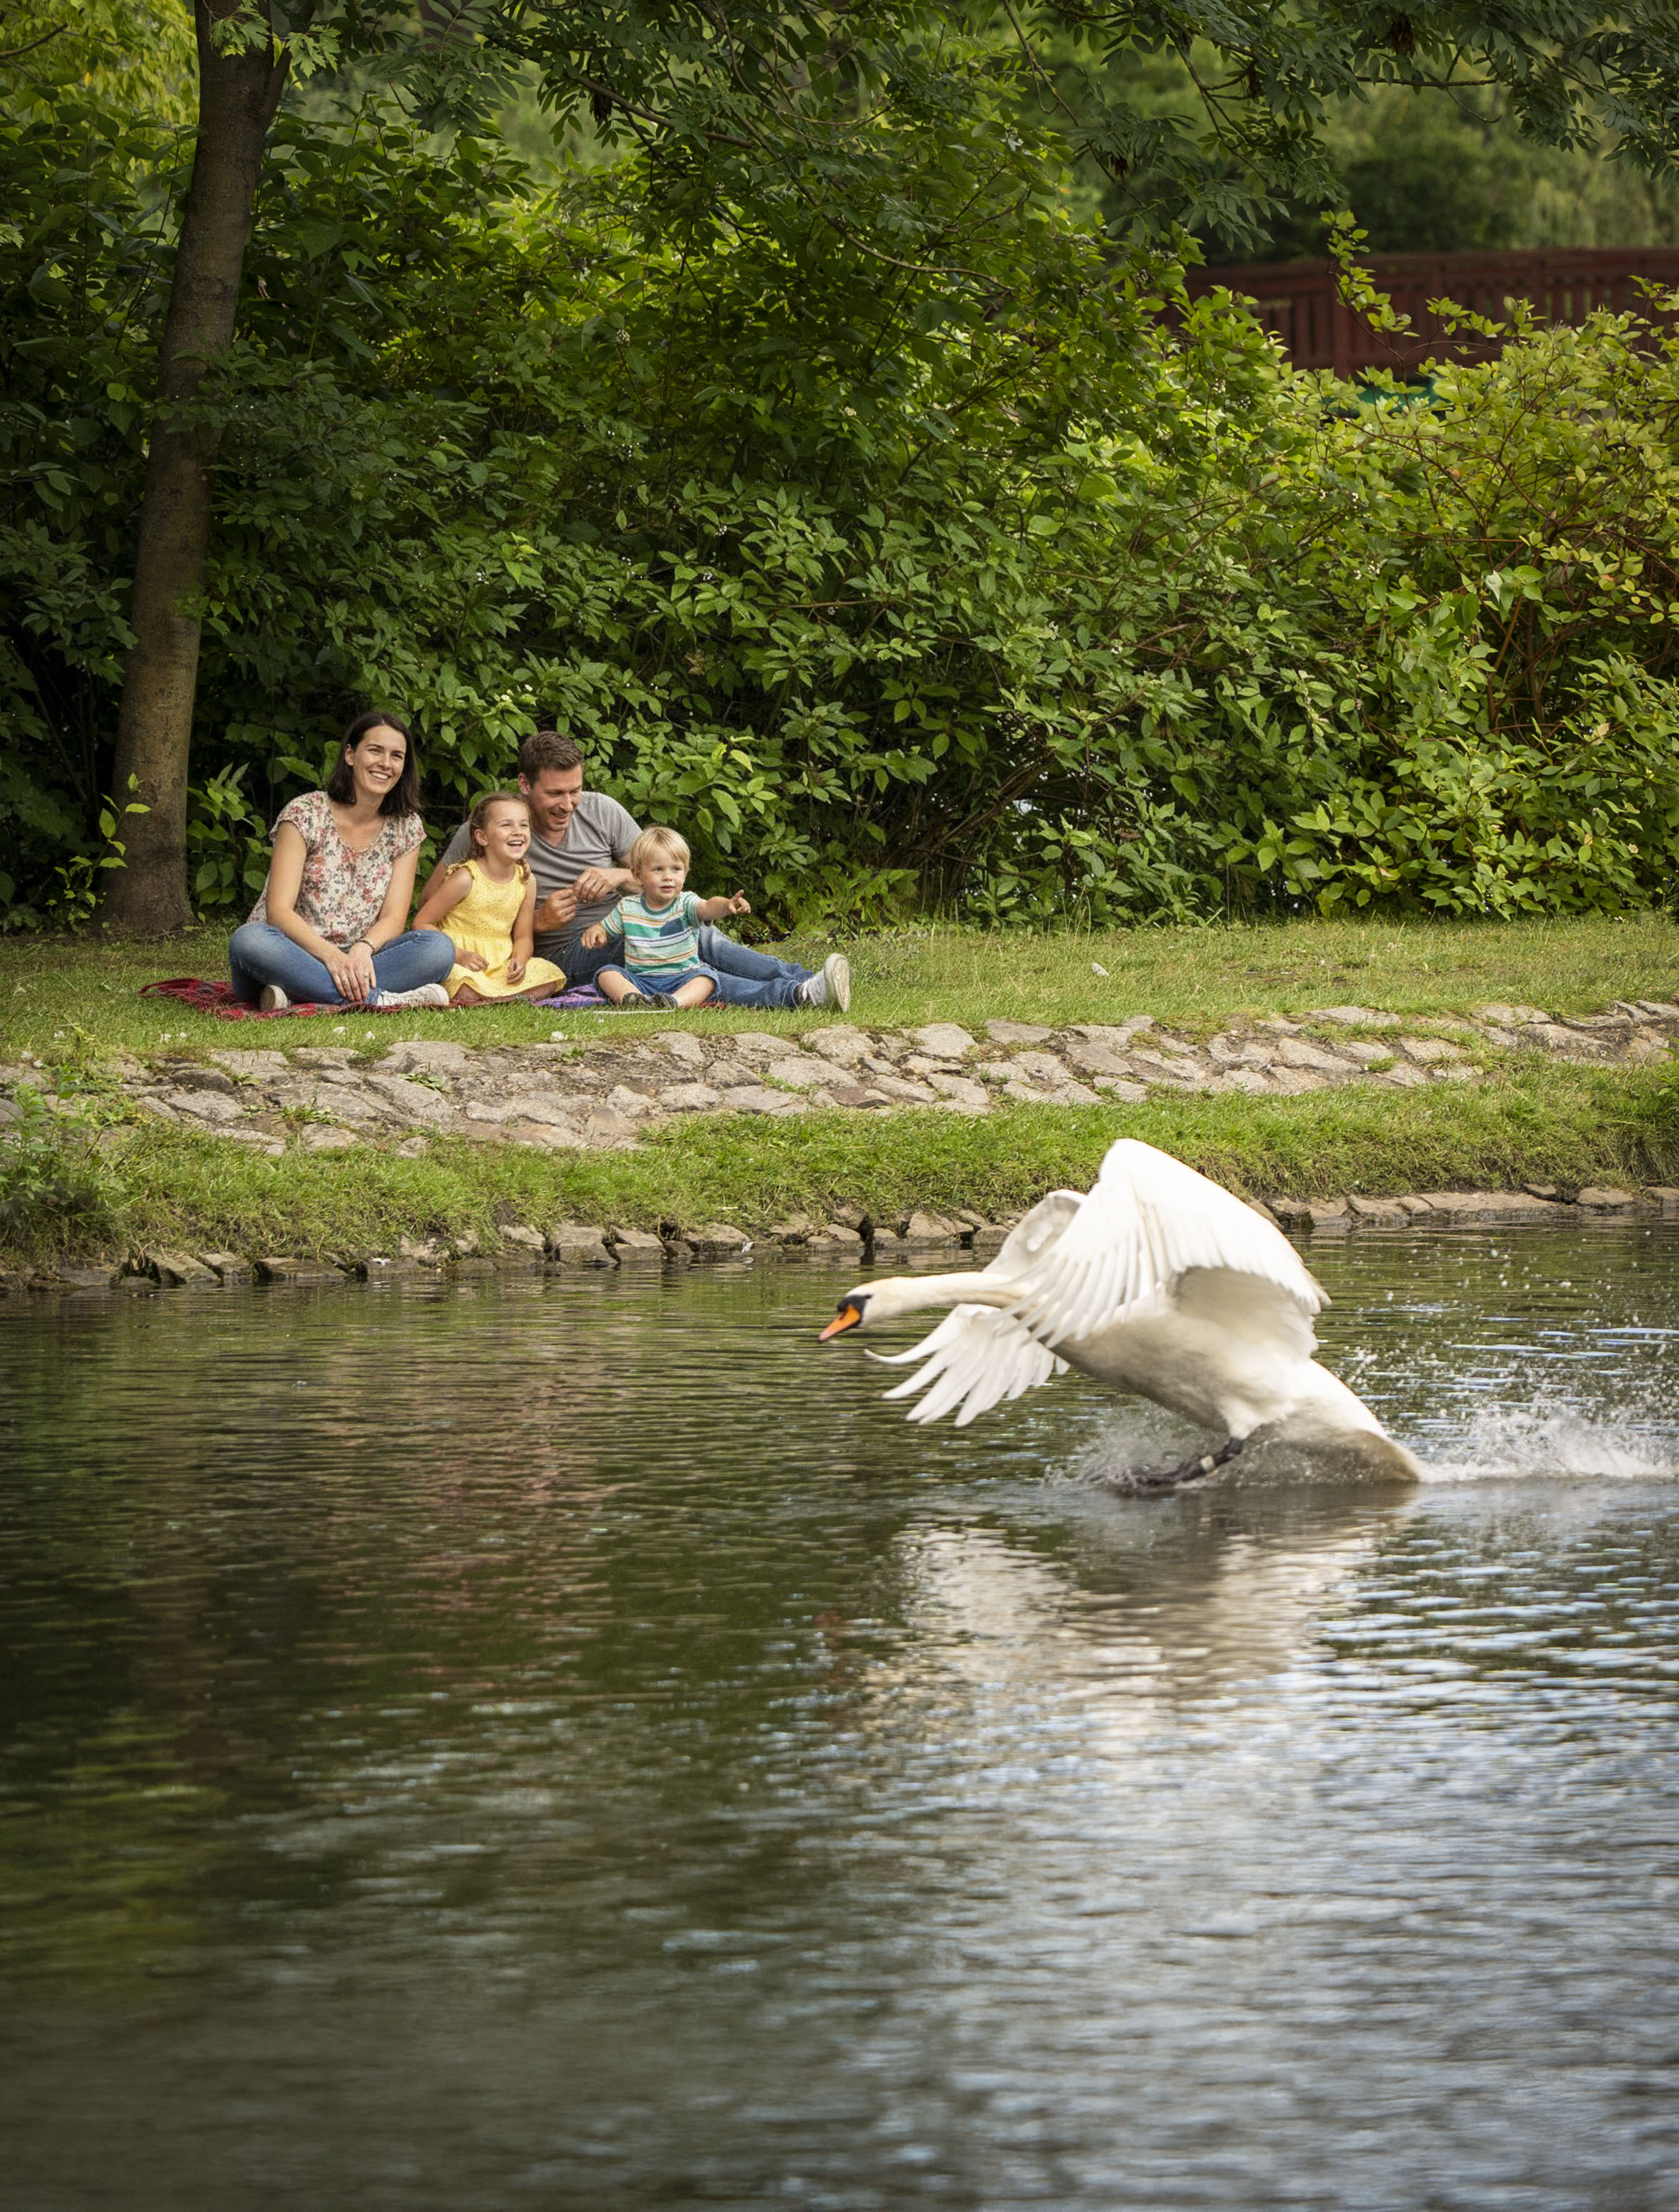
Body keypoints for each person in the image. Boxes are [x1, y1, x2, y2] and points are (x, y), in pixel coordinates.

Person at [418, 729, 850, 1011]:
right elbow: (433, 907)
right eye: (555, 794)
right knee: (672, 941)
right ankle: (800, 991)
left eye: (575, 791)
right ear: (525, 785)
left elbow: (661, 873)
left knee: (692, 933)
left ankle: (806, 982)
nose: (568, 805)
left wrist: (617, 877)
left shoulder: (602, 811)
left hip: (636, 922)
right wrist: (540, 920)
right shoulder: (491, 830)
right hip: (566, 951)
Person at [228, 711, 455, 1011]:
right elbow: (279, 912)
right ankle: (376, 999)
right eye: (375, 750)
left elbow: (393, 918)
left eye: (397, 756)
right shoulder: (305, 813)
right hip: (291, 951)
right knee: (249, 940)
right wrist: (332, 957)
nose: (386, 763)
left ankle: (301, 995)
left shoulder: (406, 826)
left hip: (361, 957)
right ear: (350, 755)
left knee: (439, 948)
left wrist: (362, 949)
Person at [582, 827, 778, 1008]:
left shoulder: (686, 903)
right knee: (606, 973)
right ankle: (634, 999)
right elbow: (605, 929)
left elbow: (708, 907)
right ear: (638, 875)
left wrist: (726, 905)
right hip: (640, 981)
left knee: (706, 978)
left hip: (683, 979)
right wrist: (597, 931)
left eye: (676, 869)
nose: (668, 877)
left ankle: (674, 1002)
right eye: (658, 869)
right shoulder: (627, 907)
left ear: (685, 873)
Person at [412, 792, 569, 1005]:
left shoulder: (526, 880)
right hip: (461, 960)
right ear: (482, 837)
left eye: (524, 825)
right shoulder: (466, 878)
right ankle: (497, 998)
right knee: (462, 984)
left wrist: (520, 959)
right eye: (506, 825)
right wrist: (459, 955)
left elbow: (523, 937)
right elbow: (421, 923)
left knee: (548, 975)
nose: (518, 832)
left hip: (500, 965)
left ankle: (490, 998)